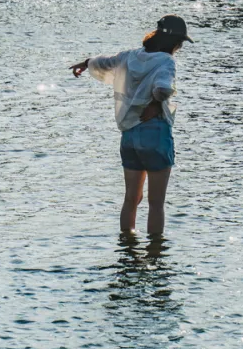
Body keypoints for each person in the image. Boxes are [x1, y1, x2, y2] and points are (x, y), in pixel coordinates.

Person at [69, 15, 193, 238]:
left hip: (129, 134)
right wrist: (156, 102)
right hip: (154, 132)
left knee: (131, 199)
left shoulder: (130, 56)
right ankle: (155, 254)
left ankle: (127, 246)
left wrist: (86, 63)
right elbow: (163, 87)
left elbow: (103, 62)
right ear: (174, 42)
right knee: (156, 204)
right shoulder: (166, 61)